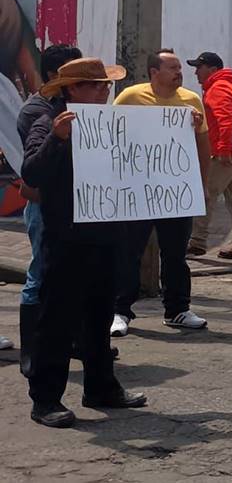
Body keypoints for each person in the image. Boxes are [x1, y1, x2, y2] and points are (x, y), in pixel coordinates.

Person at [22, 58, 146, 428]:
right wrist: (58, 140)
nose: (103, 92)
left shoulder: (113, 125)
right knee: (57, 320)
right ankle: (45, 401)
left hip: (106, 235)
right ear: (72, 89)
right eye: (94, 86)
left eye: (105, 87)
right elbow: (32, 173)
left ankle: (101, 386)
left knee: (99, 317)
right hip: (66, 239)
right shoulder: (49, 123)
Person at [111, 49, 210, 336]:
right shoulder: (129, 97)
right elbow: (112, 136)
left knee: (176, 254)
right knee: (129, 252)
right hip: (137, 191)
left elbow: (203, 146)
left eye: (180, 67)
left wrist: (201, 184)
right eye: (173, 68)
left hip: (175, 193)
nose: (180, 72)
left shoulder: (191, 102)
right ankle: (120, 311)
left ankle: (177, 309)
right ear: (154, 72)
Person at [15, 44, 82, 371]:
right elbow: (39, 166)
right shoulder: (38, 112)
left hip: (75, 205)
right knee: (39, 274)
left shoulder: (82, 110)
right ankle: (31, 351)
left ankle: (71, 341)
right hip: (44, 204)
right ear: (57, 76)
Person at [186, 52, 232, 261]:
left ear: (212, 70)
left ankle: (197, 242)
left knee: (205, 194)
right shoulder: (225, 85)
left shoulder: (218, 88)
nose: (196, 71)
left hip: (226, 154)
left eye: (200, 67)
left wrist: (223, 149)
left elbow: (225, 121)